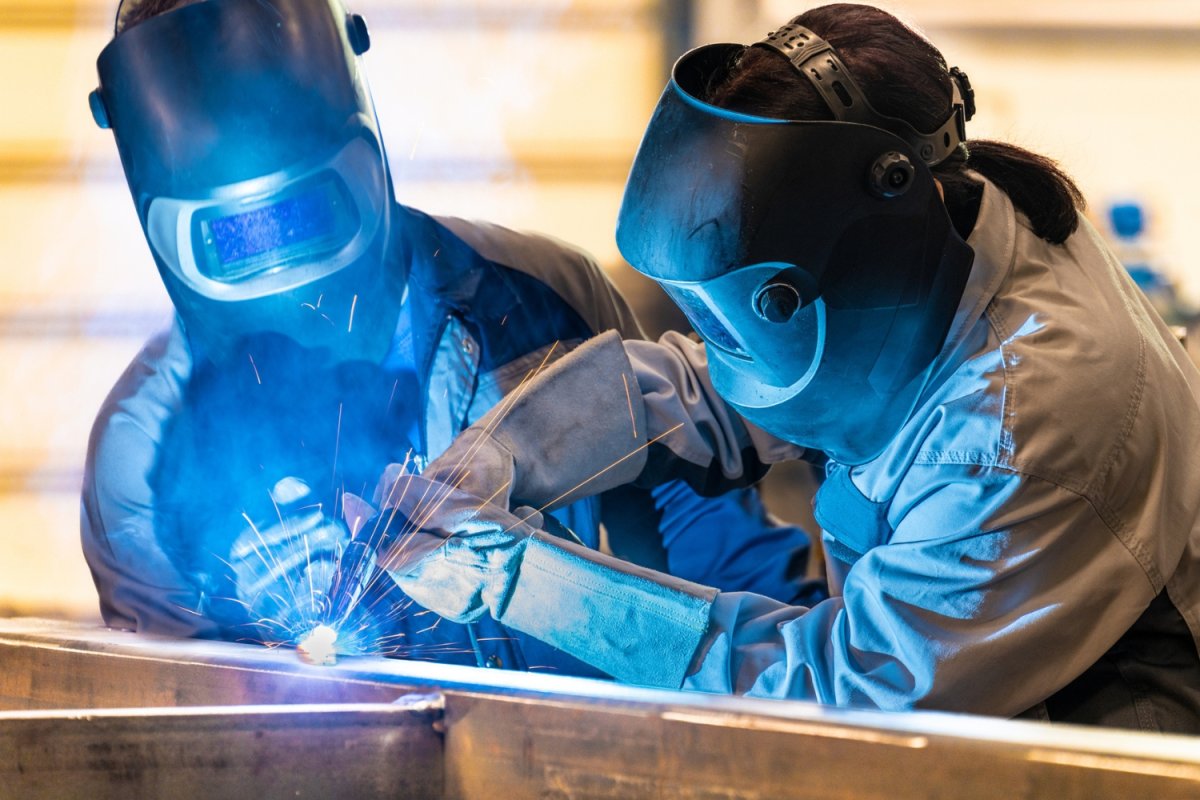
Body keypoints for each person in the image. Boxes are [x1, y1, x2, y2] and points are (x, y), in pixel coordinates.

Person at [374, 4, 1200, 731]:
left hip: (1094, 730)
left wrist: (521, 578)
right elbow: (726, 386)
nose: (716, 338)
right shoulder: (937, 215)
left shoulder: (1021, 431)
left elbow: (839, 693)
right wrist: (496, 457)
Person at [79, 0, 817, 671]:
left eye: (305, 215)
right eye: (239, 239)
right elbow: (179, 731)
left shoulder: (542, 296)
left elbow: (714, 556)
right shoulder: (143, 450)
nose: (307, 308)